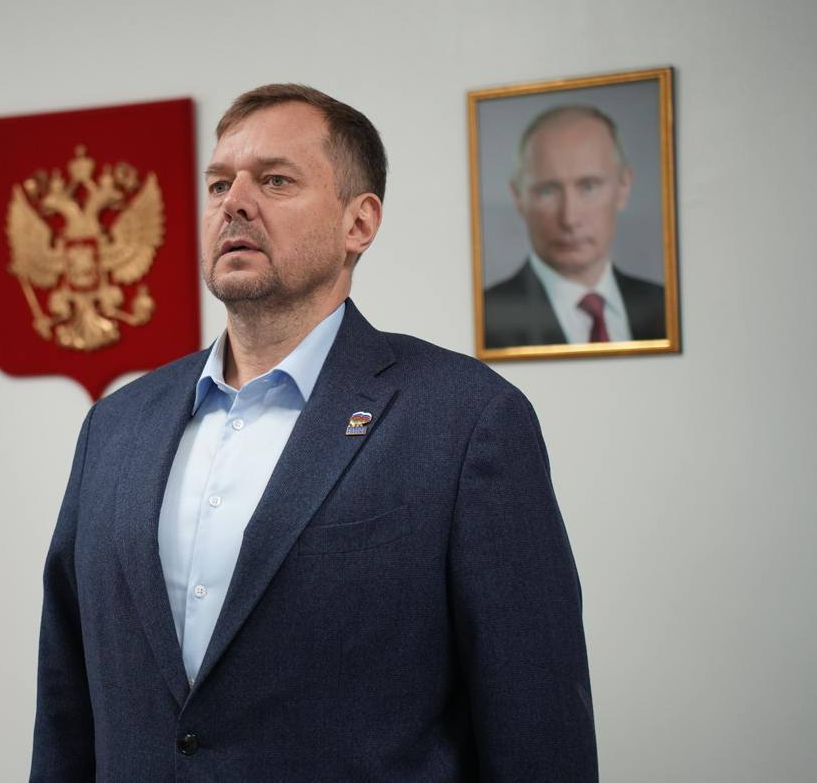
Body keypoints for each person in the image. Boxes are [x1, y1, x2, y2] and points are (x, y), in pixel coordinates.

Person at [32, 84, 597, 781]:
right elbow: (66, 704)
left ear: (359, 223)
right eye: (219, 184)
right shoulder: (116, 426)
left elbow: (537, 721)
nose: (235, 203)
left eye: (275, 180)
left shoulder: (465, 420)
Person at [484, 104, 666, 349]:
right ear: (518, 197)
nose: (569, 218)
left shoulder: (663, 305)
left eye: (588, 186)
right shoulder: (487, 315)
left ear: (623, 186)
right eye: (547, 191)